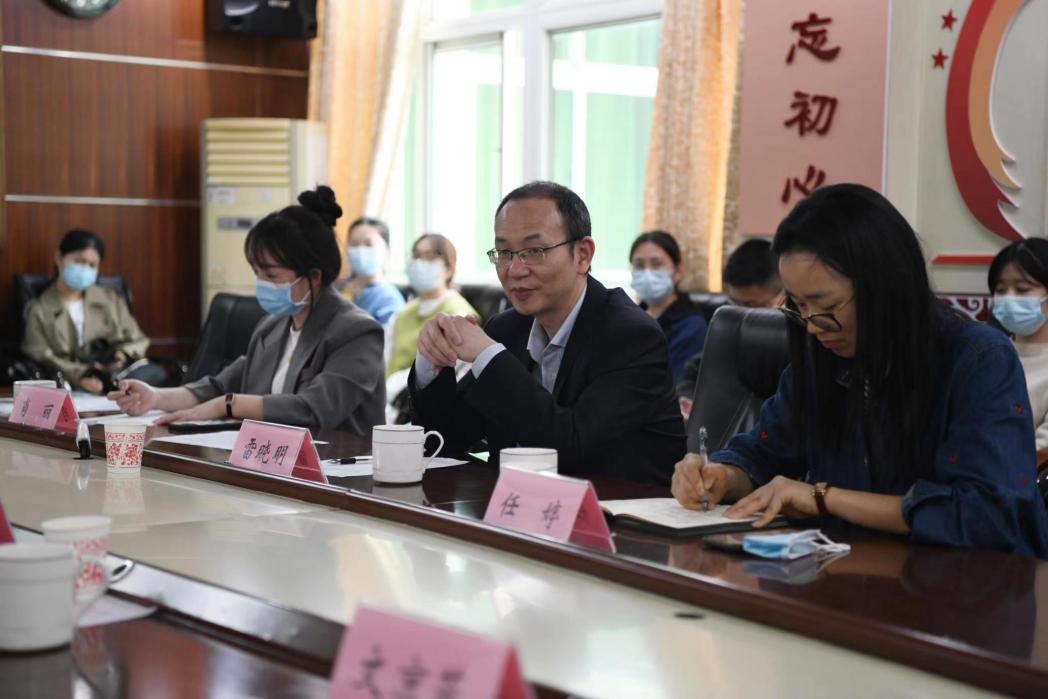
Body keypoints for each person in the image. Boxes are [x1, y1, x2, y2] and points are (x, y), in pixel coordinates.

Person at [671, 183, 1048, 557]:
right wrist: (721, 476)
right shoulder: (820, 358)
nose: (812, 325)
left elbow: (984, 516)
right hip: (850, 570)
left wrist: (823, 498)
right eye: (798, 306)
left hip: (968, 582)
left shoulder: (978, 360)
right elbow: (764, 453)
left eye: (826, 306)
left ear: (885, 287)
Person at [409, 181, 685, 484]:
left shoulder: (631, 335)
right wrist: (431, 362)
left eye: (534, 251)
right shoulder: (507, 328)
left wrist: (490, 357)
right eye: (504, 252)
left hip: (619, 509)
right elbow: (446, 439)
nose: (514, 270)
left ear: (582, 255)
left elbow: (569, 448)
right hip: (518, 506)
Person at [109, 186, 385, 433]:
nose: (261, 283)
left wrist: (228, 405)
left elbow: (313, 410)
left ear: (313, 276)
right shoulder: (272, 326)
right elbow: (217, 387)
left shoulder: (356, 331)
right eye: (257, 273)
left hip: (338, 466)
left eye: (271, 275)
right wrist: (156, 397)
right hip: (274, 460)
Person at [22, 229, 164, 394]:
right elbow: (40, 355)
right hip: (68, 388)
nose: (85, 269)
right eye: (79, 261)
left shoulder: (111, 300)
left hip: (118, 383)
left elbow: (138, 340)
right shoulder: (38, 309)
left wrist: (121, 355)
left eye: (92, 265)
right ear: (59, 258)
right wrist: (81, 376)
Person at [677, 238, 784, 418]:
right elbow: (693, 374)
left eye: (751, 305)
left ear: (784, 295)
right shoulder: (731, 330)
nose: (740, 313)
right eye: (734, 303)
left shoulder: (802, 339)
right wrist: (687, 399)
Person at [387, 234, 478, 376]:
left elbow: (448, 368)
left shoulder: (459, 313)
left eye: (429, 257)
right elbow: (385, 357)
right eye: (416, 256)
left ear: (448, 269)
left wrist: (394, 385)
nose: (419, 263)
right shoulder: (404, 312)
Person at [988, 238, 1048, 451]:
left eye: (1022, 290)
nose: (1008, 298)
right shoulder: (983, 354)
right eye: (1000, 290)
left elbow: (1042, 451)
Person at [629, 230, 706, 384]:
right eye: (639, 265)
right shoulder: (629, 319)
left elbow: (676, 383)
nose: (647, 273)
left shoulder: (692, 327)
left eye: (657, 264)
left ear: (678, 271)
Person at [342, 216, 405, 326]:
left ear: (386, 250)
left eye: (368, 244)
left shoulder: (389, 300)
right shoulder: (337, 287)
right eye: (354, 244)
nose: (360, 250)